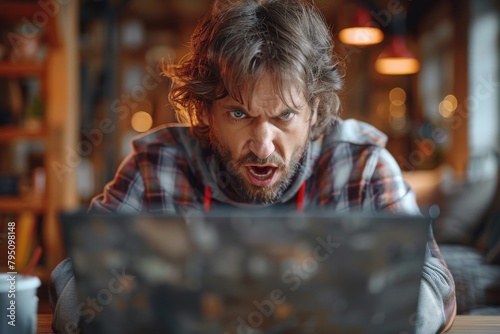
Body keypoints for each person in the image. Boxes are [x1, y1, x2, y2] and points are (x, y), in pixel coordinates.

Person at [50, 0, 456, 332]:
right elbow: (75, 276)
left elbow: (432, 281)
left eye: (283, 116)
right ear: (206, 112)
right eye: (239, 115)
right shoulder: (157, 163)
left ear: (314, 112)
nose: (263, 147)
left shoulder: (362, 165)